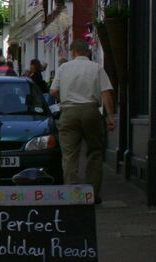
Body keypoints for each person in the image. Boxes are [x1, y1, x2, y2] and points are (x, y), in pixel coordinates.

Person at [51, 40, 115, 203]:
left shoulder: (63, 68)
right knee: (94, 151)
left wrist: (63, 99)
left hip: (69, 111)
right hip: (90, 111)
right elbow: (106, 92)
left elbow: (53, 90)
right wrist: (110, 117)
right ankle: (92, 194)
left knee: (69, 154)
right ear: (87, 52)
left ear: (72, 52)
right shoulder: (96, 68)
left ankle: (72, 193)